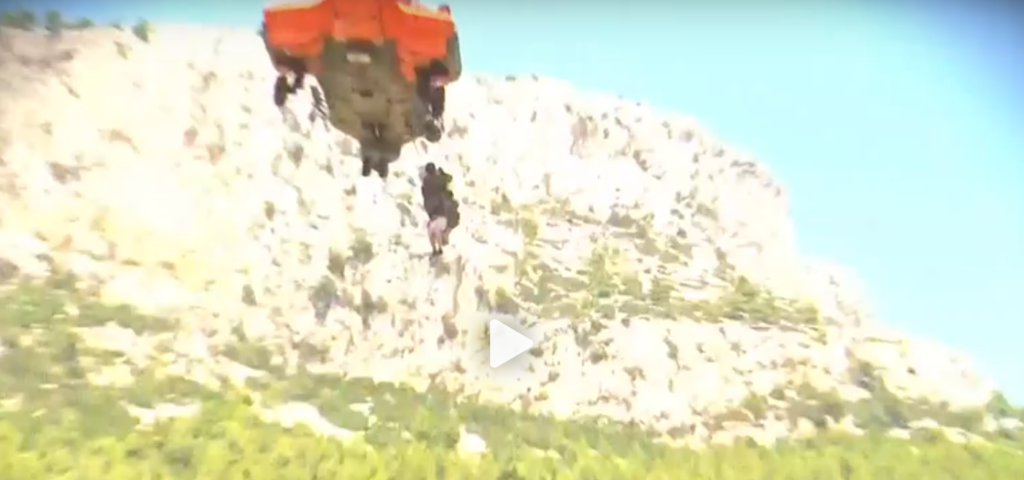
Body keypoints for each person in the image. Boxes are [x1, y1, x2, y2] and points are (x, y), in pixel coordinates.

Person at [420, 162, 459, 256]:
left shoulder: (426, 181)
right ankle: (442, 241)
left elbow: (424, 192)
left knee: (435, 225)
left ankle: (437, 246)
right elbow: (448, 179)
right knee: (452, 216)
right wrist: (442, 174)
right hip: (440, 205)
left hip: (430, 206)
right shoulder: (438, 179)